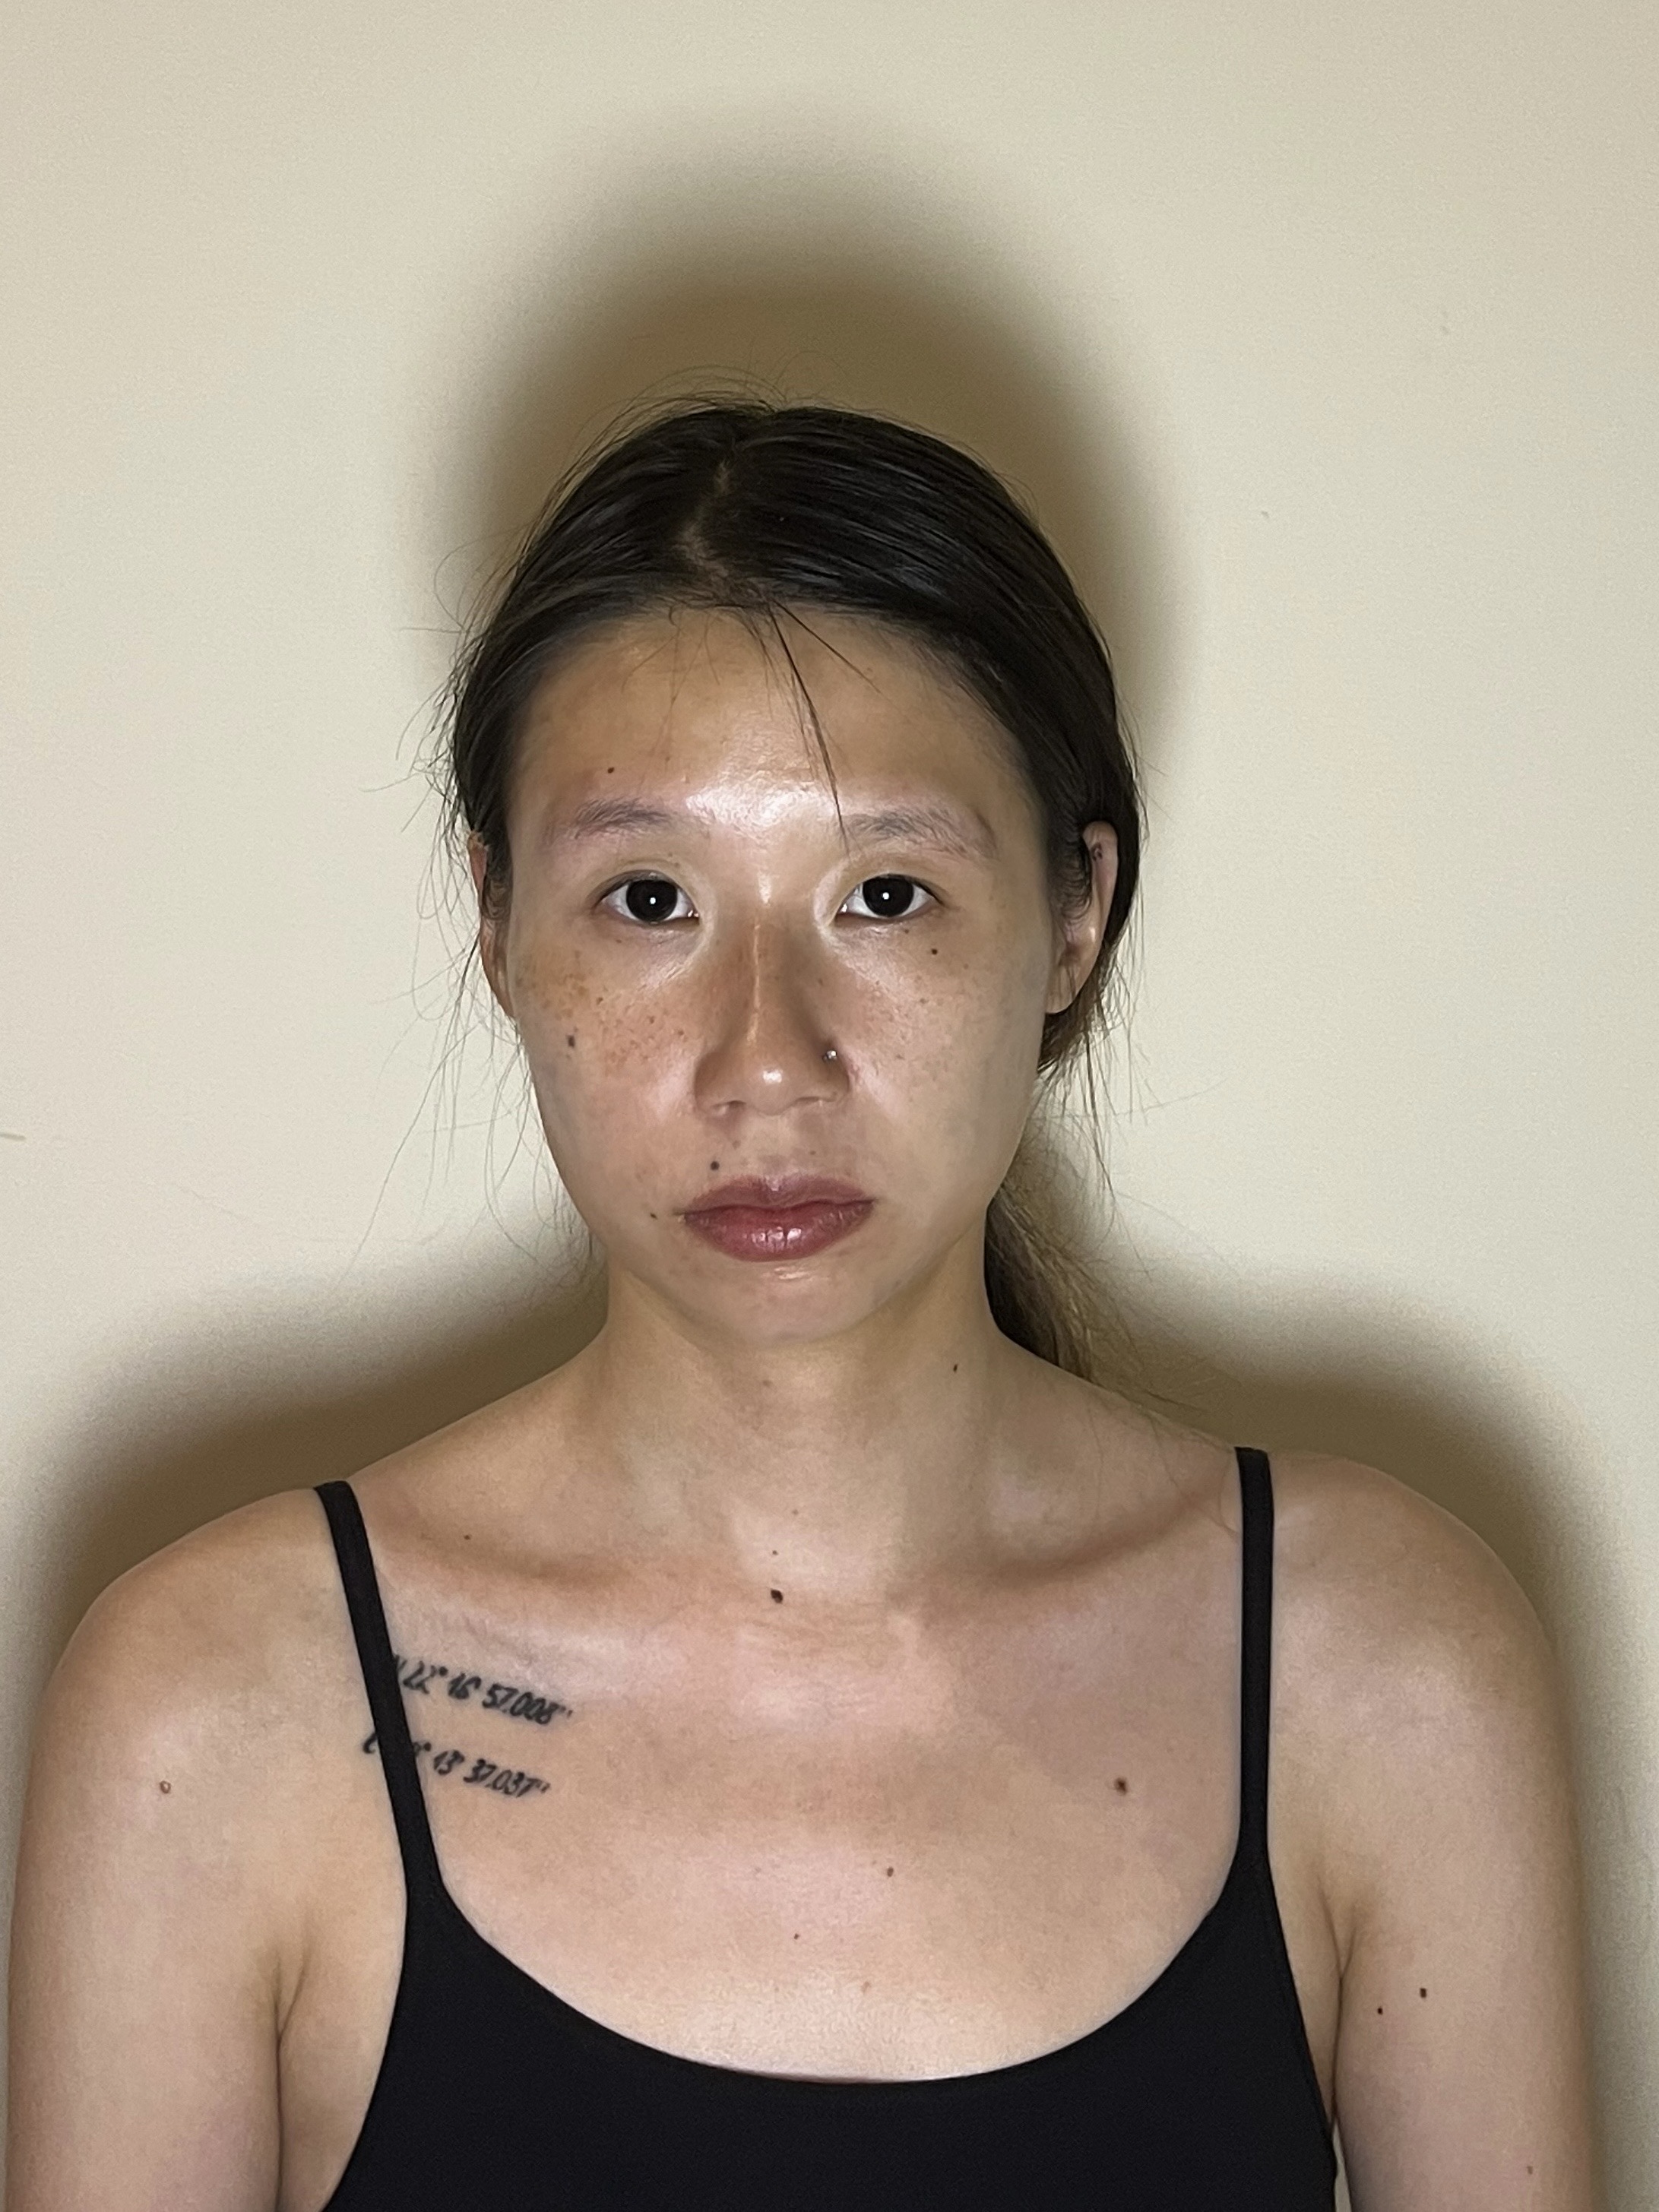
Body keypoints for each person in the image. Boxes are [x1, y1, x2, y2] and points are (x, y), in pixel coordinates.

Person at [8, 402, 1594, 2210]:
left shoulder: (1383, 1672)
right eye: (650, 898)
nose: (767, 1060)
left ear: (1077, 912)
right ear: (500, 924)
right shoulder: (217, 1709)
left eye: (885, 894)